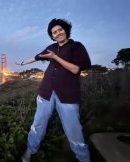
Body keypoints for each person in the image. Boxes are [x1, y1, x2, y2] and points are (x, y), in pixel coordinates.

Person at [16, 18, 91, 162]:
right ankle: (30, 150)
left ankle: (83, 158)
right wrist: (22, 63)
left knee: (74, 131)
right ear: (52, 36)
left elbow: (75, 69)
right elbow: (38, 57)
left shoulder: (76, 46)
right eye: (54, 32)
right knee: (38, 124)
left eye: (60, 30)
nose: (58, 33)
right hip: (46, 93)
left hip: (68, 96)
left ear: (65, 30)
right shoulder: (51, 47)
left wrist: (55, 57)